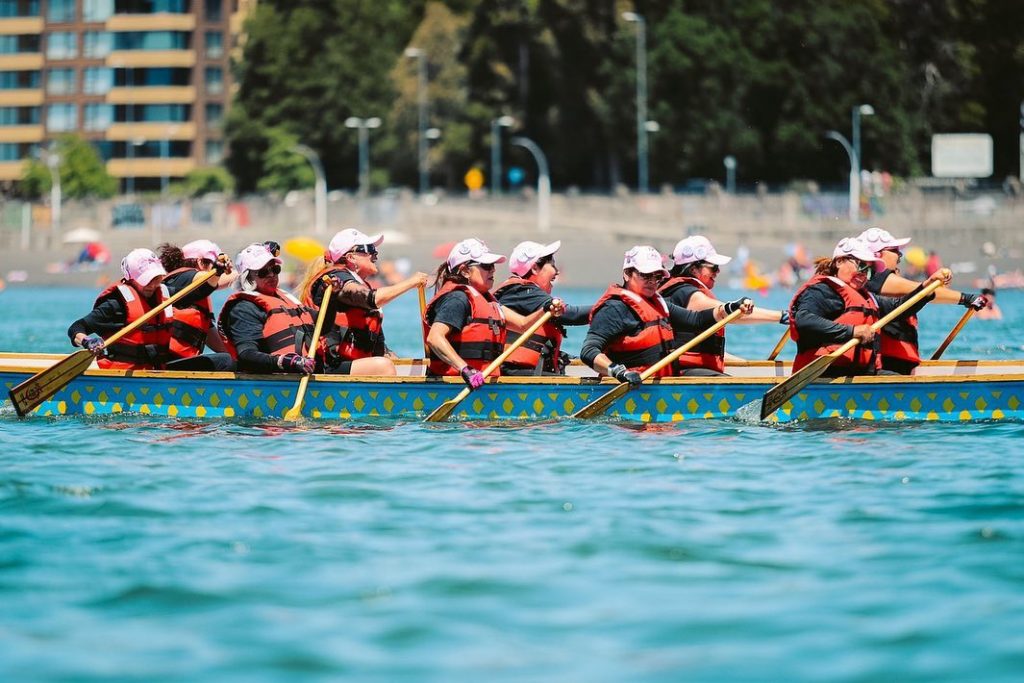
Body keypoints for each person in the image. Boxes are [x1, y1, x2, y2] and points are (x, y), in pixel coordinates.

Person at [580, 245, 753, 385]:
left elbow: (696, 320)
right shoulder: (614, 309)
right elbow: (588, 351)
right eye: (645, 275)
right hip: (634, 387)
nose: (652, 282)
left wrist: (730, 307)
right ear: (627, 274)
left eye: (656, 276)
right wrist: (619, 372)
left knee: (721, 380)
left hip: (663, 383)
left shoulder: (659, 303)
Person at [789, 237, 949, 377]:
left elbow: (899, 308)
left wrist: (926, 287)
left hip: (860, 373)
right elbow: (803, 320)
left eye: (870, 271)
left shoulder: (866, 296)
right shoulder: (822, 291)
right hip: (825, 374)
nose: (864, 275)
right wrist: (851, 332)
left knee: (900, 381)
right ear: (839, 261)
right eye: (861, 266)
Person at [424, 238, 565, 389]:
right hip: (456, 385)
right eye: (486, 266)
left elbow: (523, 324)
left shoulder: (488, 302)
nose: (493, 270)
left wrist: (546, 310)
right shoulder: (457, 299)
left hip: (484, 383)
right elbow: (435, 338)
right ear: (465, 271)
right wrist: (465, 369)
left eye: (492, 265)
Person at [296, 228, 429, 376]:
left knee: (404, 367)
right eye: (369, 249)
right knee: (384, 366)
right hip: (328, 366)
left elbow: (378, 346)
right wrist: (410, 282)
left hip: (350, 364)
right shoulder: (335, 280)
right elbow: (371, 299)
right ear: (351, 257)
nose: (375, 254)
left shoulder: (361, 284)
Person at [857, 227, 985, 374]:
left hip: (898, 362)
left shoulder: (878, 280)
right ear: (877, 254)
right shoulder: (875, 279)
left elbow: (922, 295)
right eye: (894, 250)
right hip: (889, 362)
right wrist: (966, 298)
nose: (899, 254)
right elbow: (925, 292)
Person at [660, 235, 787, 375]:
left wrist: (750, 366)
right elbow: (735, 315)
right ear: (693, 269)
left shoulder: (681, 290)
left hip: (693, 368)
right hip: (684, 372)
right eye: (713, 268)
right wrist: (782, 316)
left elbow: (710, 352)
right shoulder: (686, 294)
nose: (718, 271)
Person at [217, 243, 320, 375]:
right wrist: (284, 362)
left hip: (308, 371)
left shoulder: (285, 299)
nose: (271, 275)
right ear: (247, 278)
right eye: (263, 272)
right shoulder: (243, 308)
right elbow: (247, 354)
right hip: (276, 379)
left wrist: (333, 298)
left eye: (275, 269)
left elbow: (324, 326)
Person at [494, 240, 592, 375]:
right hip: (513, 372)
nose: (557, 271)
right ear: (534, 268)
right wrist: (608, 309)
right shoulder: (522, 291)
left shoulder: (519, 292)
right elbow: (571, 315)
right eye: (552, 264)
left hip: (521, 371)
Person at [68, 248, 174, 370]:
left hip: (157, 373)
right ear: (131, 279)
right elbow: (76, 328)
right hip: (122, 376)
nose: (152, 285)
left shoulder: (168, 295)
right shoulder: (116, 305)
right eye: (147, 280)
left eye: (156, 278)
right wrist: (87, 341)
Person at [156, 240, 236, 371]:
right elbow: (214, 280)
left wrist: (236, 357)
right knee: (225, 362)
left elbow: (210, 335)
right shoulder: (182, 278)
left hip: (180, 361)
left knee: (230, 359)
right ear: (200, 262)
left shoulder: (198, 296)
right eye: (214, 265)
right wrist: (247, 274)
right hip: (166, 364)